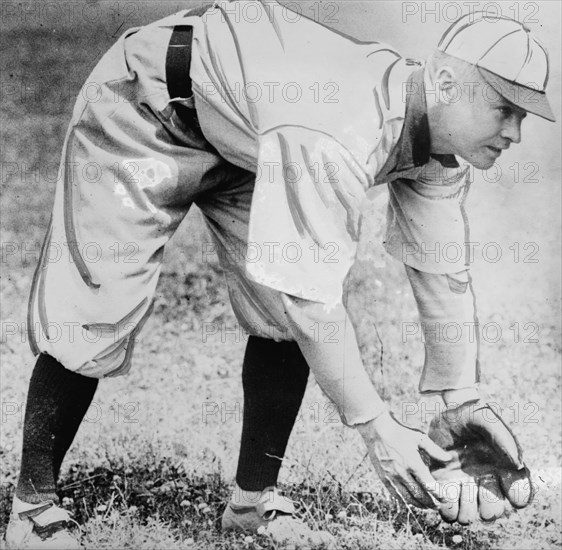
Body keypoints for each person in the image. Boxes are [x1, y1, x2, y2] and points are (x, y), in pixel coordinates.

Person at [5, 1, 555, 548]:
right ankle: (32, 505)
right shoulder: (340, 128)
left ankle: (252, 503)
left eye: (524, 116)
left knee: (277, 313)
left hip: (248, 130)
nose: (515, 133)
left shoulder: (438, 142)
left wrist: (461, 401)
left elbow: (442, 271)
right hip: (152, 100)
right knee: (99, 302)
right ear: (444, 80)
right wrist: (377, 428)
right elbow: (310, 299)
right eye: (503, 108)